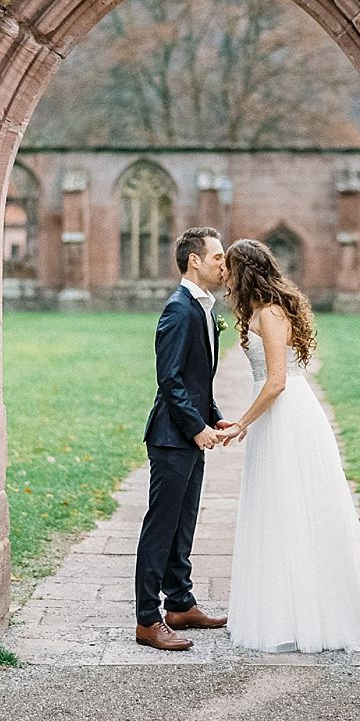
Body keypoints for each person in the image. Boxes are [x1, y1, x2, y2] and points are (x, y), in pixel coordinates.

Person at [219, 239, 360, 654]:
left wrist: (242, 423)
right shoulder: (260, 310)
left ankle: (312, 616)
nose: (224, 276)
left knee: (295, 506)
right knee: (276, 508)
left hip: (287, 417)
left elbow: (278, 381)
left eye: (228, 267)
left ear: (244, 270)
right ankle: (282, 610)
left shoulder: (269, 313)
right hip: (277, 417)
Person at [134, 226, 237, 651]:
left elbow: (197, 382)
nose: (223, 265)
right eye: (217, 258)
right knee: (161, 526)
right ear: (194, 260)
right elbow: (170, 380)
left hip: (190, 434)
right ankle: (147, 620)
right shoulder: (179, 310)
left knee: (184, 522)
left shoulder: (205, 310)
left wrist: (214, 418)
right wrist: (196, 428)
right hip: (172, 438)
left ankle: (180, 603)